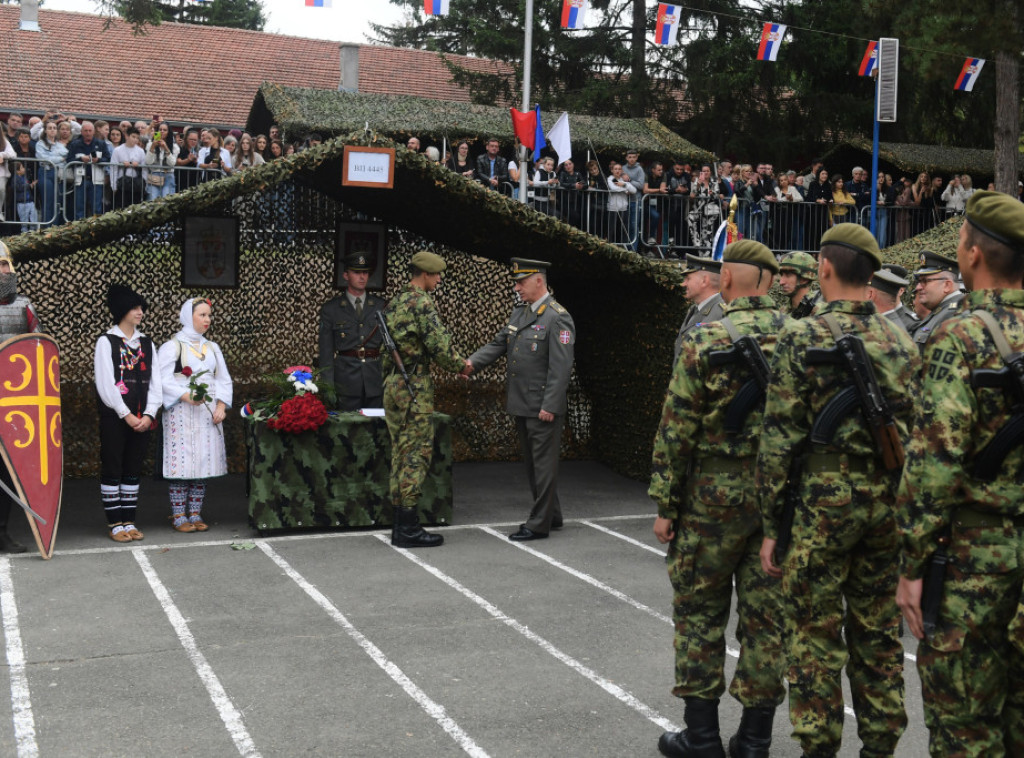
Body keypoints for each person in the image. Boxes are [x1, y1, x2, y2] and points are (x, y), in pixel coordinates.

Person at [757, 223, 919, 758]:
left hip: (820, 506)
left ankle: (819, 747)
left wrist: (770, 526)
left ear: (823, 268)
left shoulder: (802, 335)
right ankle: (880, 746)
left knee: (812, 634)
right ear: (872, 276)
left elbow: (780, 437)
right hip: (885, 504)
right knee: (877, 634)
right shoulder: (901, 338)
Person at [895, 190, 1024, 757]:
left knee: (964, 728)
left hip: (976, 560)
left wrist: (912, 566)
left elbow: (933, 463)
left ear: (971, 254)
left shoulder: (963, 336)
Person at [651, 240, 786, 758]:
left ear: (725, 280)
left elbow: (676, 427)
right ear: (771, 281)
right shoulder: (802, 337)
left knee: (700, 616)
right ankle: (754, 742)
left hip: (711, 500)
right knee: (766, 621)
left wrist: (666, 503)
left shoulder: (706, 337)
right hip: (777, 502)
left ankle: (702, 738)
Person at [467, 259, 575, 541]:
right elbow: (499, 343)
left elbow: (561, 368)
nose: (516, 288)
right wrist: (470, 364)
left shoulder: (557, 316)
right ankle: (552, 514)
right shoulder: (521, 312)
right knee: (534, 465)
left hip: (542, 406)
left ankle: (539, 524)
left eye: (521, 282)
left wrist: (550, 405)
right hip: (523, 403)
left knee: (543, 466)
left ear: (539, 281)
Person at [383, 251, 470, 548]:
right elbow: (440, 347)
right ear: (424, 274)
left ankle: (399, 524)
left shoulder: (396, 301)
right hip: (413, 388)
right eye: (436, 275)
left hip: (393, 386)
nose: (439, 279)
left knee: (399, 453)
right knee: (415, 456)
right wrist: (462, 366)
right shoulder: (422, 303)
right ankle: (408, 528)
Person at [94, 284, 162, 543]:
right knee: (113, 466)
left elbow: (156, 383)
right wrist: (126, 414)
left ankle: (129, 520)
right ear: (121, 310)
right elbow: (105, 384)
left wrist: (149, 414)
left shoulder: (146, 343)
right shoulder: (106, 342)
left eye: (141, 307)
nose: (140, 312)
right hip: (116, 417)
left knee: (133, 468)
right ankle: (115, 523)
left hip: (142, 418)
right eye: (135, 308)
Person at [158, 297, 232, 533]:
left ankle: (196, 512)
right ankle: (179, 514)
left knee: (202, 463)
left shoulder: (212, 348)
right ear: (187, 317)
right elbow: (162, 379)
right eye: (202, 315)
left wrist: (221, 406)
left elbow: (223, 379)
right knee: (182, 465)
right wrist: (185, 395)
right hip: (181, 412)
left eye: (209, 315)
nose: (207, 319)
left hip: (205, 413)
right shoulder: (172, 347)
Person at [0, 245, 44, 553]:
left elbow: (39, 348)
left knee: (7, 473)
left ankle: (1, 532)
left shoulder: (24, 306)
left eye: (5, 265)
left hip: (14, 406)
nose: (2, 271)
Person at [318, 252, 386, 410]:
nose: (362, 277)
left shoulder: (380, 306)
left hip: (375, 381)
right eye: (356, 272)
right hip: (345, 382)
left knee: (376, 429)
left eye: (365, 273)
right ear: (346, 275)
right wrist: (328, 386)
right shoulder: (331, 309)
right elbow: (326, 352)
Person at [909, 250, 965, 353]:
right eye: (919, 281)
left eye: (925, 281)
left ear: (947, 285)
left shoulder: (953, 314)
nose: (918, 287)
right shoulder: (941, 311)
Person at [672, 255, 724, 361]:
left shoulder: (721, 312)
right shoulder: (694, 309)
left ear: (704, 281)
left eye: (688, 279)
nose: (683, 284)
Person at [67, 121, 110, 219]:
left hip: (96, 181)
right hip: (80, 181)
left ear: (94, 132)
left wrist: (98, 160)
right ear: (81, 132)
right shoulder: (75, 144)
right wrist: (80, 159)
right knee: (79, 208)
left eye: (90, 130)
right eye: (85, 130)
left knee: (97, 209)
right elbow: (69, 160)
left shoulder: (101, 144)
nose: (88, 133)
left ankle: (96, 230)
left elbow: (108, 159)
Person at [35, 120, 66, 226]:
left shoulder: (60, 145)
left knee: (57, 202)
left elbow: (66, 156)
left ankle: (55, 228)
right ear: (45, 130)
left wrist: (55, 158)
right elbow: (43, 158)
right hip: (45, 172)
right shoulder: (40, 143)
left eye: (54, 128)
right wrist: (59, 158)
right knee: (47, 201)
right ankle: (46, 228)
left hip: (58, 174)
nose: (52, 130)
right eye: (50, 128)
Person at [687, 164, 723, 253]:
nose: (706, 173)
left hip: (710, 210)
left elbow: (718, 195)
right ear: (701, 172)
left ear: (710, 172)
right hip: (698, 209)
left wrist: (712, 194)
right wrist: (698, 185)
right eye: (704, 171)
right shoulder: (696, 181)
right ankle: (697, 244)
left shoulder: (714, 182)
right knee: (690, 219)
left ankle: (706, 253)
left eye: (707, 171)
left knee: (707, 232)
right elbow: (692, 196)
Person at [110, 127, 146, 209]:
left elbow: (144, 169)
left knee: (135, 209)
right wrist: (113, 186)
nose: (135, 140)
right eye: (133, 137)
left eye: (137, 138)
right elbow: (113, 168)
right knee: (120, 208)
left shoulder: (141, 151)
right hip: (122, 184)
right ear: (127, 136)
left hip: (136, 185)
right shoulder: (117, 150)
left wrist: (144, 184)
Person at [777, 251, 820, 319]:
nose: (781, 282)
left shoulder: (818, 311)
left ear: (804, 279)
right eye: (782, 275)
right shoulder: (783, 311)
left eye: (788, 275)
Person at [144, 121, 179, 200]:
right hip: (154, 175)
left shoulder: (174, 147)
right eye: (160, 129)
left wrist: (166, 148)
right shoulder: (150, 144)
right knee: (152, 200)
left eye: (165, 130)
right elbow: (148, 162)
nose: (162, 131)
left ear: (168, 132)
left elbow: (172, 163)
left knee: (166, 200)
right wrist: (152, 147)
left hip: (168, 175)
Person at [606, 162, 636, 244]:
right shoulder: (610, 178)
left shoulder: (623, 180)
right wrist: (625, 189)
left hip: (623, 208)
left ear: (622, 170)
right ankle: (609, 246)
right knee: (611, 230)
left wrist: (624, 184)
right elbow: (614, 188)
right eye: (615, 169)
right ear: (612, 170)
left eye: (619, 169)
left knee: (623, 230)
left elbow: (634, 190)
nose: (617, 171)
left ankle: (623, 247)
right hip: (612, 208)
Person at [12, 162, 38, 233]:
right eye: (22, 167)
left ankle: (33, 232)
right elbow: (18, 188)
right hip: (22, 203)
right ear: (17, 171)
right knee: (24, 221)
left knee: (34, 217)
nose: (24, 169)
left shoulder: (24, 177)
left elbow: (27, 186)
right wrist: (29, 186)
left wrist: (31, 185)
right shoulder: (15, 179)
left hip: (30, 201)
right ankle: (24, 234)